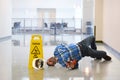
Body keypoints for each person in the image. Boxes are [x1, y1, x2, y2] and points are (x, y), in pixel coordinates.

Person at [47, 36, 111, 70]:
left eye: (48, 60)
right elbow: (75, 65)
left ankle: (95, 53)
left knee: (92, 37)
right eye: (50, 63)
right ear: (54, 64)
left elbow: (63, 44)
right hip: (83, 51)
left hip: (80, 44)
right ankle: (100, 54)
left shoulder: (56, 50)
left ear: (50, 58)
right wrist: (73, 65)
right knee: (103, 53)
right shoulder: (63, 63)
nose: (50, 61)